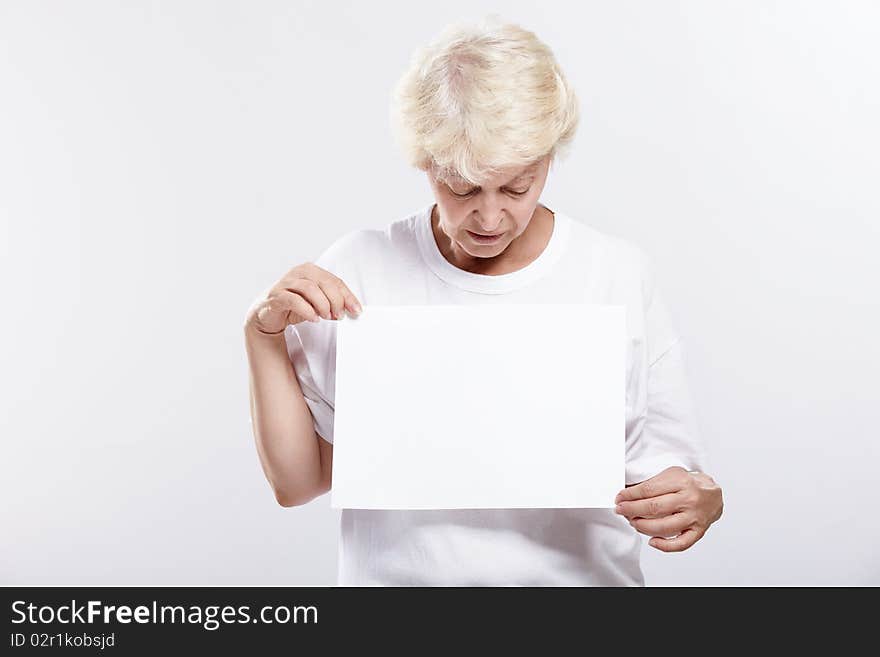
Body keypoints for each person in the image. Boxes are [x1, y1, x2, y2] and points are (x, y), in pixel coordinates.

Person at [243, 17, 723, 586]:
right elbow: (297, 484)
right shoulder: (359, 270)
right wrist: (263, 334)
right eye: (463, 188)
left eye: (518, 187)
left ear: (549, 159)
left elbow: (672, 481)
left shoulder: (615, 273)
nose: (491, 218)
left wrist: (702, 500)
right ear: (425, 161)